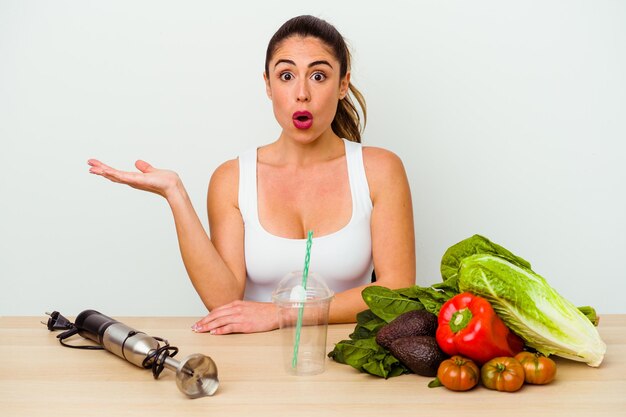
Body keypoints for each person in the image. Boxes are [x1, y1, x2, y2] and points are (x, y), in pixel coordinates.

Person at [88, 15, 415, 335]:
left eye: (318, 76)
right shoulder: (232, 179)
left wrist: (281, 314)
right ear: (268, 86)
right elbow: (223, 300)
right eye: (286, 76)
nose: (302, 93)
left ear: (342, 84)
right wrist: (175, 194)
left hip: (348, 363)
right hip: (252, 362)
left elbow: (397, 290)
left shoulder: (380, 170)